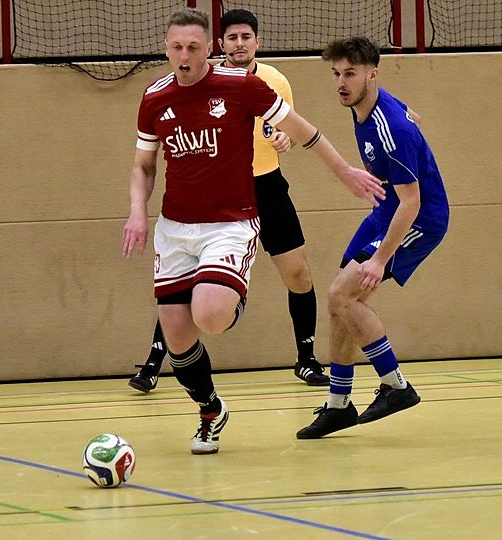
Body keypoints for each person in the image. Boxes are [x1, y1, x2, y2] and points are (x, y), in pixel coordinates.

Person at [122, 10, 385, 454]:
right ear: (166, 49)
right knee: (178, 339)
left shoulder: (242, 86)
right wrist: (136, 213)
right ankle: (210, 410)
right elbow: (143, 166)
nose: (184, 56)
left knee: (210, 315)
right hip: (175, 228)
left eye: (193, 47)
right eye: (176, 47)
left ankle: (230, 293)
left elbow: (303, 131)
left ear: (210, 49)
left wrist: (344, 172)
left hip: (231, 222)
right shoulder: (154, 97)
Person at [129, 9, 331, 394]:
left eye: (246, 37)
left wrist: (286, 140)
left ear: (257, 42)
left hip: (266, 186)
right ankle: (155, 361)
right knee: (184, 284)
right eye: (233, 38)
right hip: (218, 196)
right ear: (219, 45)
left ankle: (306, 358)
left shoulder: (273, 81)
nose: (239, 44)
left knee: (298, 273)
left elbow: (288, 128)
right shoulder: (200, 80)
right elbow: (146, 161)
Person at [297, 36, 450, 439]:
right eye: (336, 74)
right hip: (385, 210)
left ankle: (396, 386)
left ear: (372, 75)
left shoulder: (390, 129)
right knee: (338, 301)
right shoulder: (372, 104)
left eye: (350, 74)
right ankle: (338, 406)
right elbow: (410, 113)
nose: (341, 83)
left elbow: (412, 202)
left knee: (343, 295)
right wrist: (410, 117)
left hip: (418, 218)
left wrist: (380, 260)